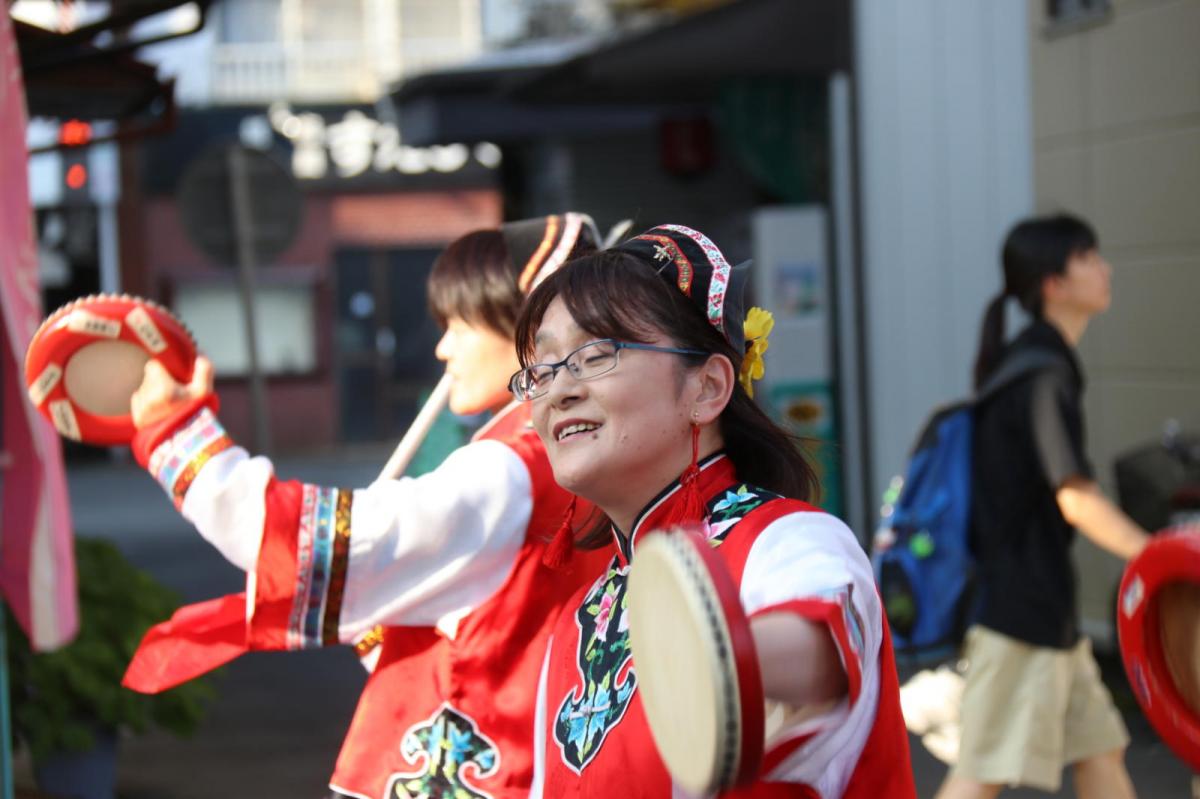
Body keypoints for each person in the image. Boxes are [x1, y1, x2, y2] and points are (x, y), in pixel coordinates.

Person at [124, 214, 612, 799]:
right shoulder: (579, 448)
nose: (442, 346)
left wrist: (175, 434)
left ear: (530, 330)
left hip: (482, 764)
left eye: (459, 323)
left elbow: (305, 542)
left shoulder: (508, 468)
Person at [509, 224, 916, 797]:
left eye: (595, 354)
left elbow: (822, 657)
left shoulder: (790, 540)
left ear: (707, 388)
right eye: (542, 370)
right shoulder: (579, 616)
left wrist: (719, 657)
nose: (558, 391)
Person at [935, 214, 1150, 799]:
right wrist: (1159, 559)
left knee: (1102, 750)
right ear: (1054, 283)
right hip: (1020, 612)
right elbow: (1076, 498)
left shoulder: (1030, 361)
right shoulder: (1043, 374)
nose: (1104, 269)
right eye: (1089, 258)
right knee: (981, 772)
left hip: (1040, 606)